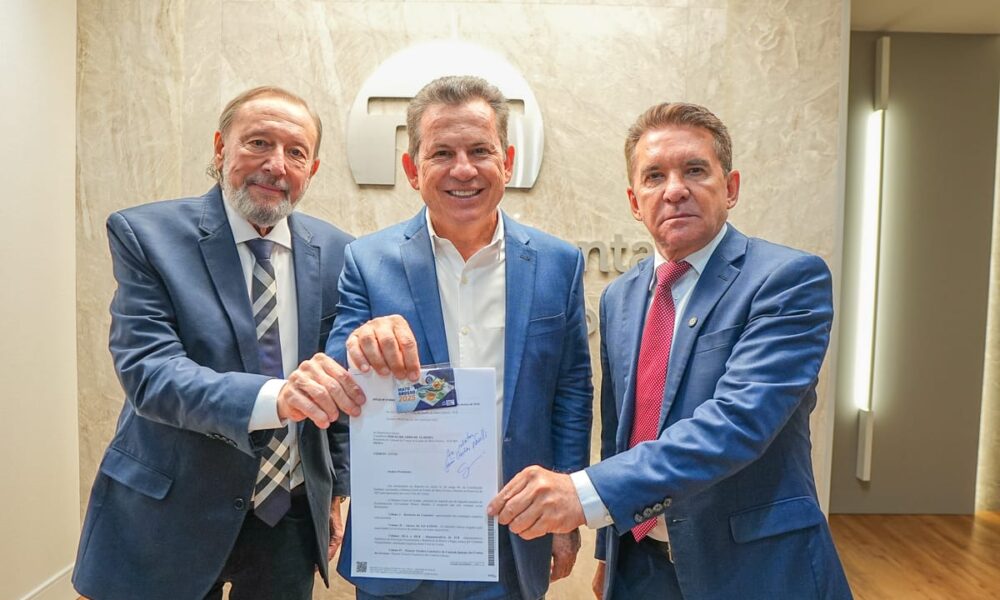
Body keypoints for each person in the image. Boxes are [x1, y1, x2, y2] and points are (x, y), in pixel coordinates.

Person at [487, 102, 852, 600]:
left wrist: (583, 493)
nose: (675, 189)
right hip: (642, 571)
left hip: (757, 570)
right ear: (635, 202)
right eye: (654, 176)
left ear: (731, 187)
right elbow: (621, 435)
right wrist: (608, 554)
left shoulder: (786, 280)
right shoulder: (620, 297)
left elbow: (737, 423)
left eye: (695, 170)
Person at [290, 75, 593, 600]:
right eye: (442, 153)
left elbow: (570, 394)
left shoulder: (558, 263)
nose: (464, 169)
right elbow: (340, 385)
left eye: (480, 150)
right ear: (413, 169)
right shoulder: (368, 260)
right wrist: (362, 344)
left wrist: (567, 515)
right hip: (405, 534)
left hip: (512, 532)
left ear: (508, 161)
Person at [73, 86, 362, 600]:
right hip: (169, 514)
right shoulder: (146, 235)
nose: (276, 165)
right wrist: (277, 397)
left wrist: (335, 490)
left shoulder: (340, 252)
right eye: (258, 142)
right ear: (220, 147)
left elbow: (338, 385)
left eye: (295, 152)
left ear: (312, 169)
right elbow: (151, 373)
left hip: (287, 519)